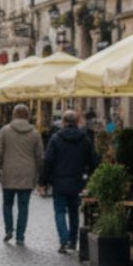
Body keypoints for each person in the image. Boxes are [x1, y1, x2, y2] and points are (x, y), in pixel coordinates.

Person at [40, 108, 99, 254]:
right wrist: (92, 178)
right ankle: (73, 241)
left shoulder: (55, 139)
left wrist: (43, 182)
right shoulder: (84, 139)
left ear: (63, 122)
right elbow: (93, 161)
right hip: (77, 181)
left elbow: (48, 161)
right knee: (74, 212)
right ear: (77, 122)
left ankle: (64, 239)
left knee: (59, 211)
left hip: (59, 181)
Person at [0, 104, 44, 246]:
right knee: (23, 206)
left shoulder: (5, 130)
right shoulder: (34, 133)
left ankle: (9, 229)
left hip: (8, 172)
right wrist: (39, 171)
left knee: (7, 203)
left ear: (14, 115)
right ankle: (20, 236)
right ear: (28, 116)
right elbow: (40, 156)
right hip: (28, 173)